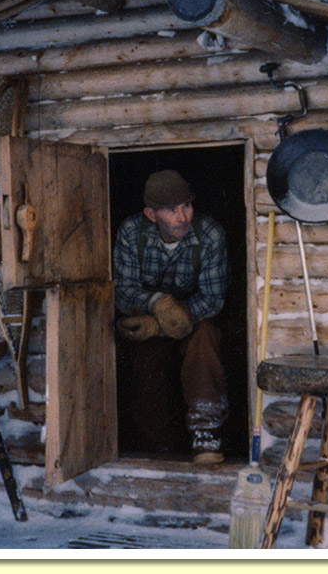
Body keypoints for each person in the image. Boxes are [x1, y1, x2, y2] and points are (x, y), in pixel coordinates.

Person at [113, 169, 229, 464]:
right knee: (146, 363)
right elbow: (124, 291)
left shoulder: (210, 234)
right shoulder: (131, 232)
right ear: (151, 214)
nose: (183, 216)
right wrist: (157, 304)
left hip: (195, 315)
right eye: (171, 210)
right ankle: (157, 446)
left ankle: (207, 433)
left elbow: (213, 298)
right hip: (149, 319)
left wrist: (170, 321)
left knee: (205, 339)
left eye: (187, 206)